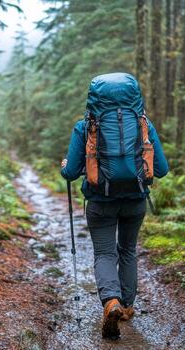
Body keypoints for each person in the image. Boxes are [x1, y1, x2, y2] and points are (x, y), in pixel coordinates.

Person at [60, 72, 169, 339]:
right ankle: (128, 306)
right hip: (135, 202)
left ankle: (111, 302)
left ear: (94, 99)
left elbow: (72, 172)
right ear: (135, 96)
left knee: (105, 254)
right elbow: (162, 169)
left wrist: (64, 167)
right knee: (128, 250)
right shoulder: (144, 124)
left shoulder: (85, 127)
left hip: (100, 203)